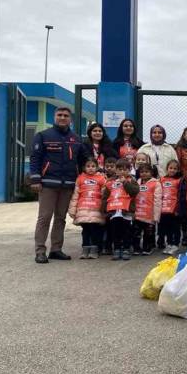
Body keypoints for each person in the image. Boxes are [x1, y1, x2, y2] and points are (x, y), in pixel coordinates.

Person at [30, 106, 88, 264]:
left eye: (66, 115)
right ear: (55, 117)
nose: (62, 118)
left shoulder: (76, 139)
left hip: (68, 184)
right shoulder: (43, 136)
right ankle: (40, 251)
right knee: (44, 218)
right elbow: (35, 159)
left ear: (71, 119)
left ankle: (56, 249)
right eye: (60, 115)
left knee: (60, 218)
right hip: (48, 184)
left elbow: (83, 161)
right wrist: (35, 179)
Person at [67, 157, 107, 259]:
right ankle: (85, 249)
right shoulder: (80, 178)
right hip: (83, 208)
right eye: (88, 166)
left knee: (95, 230)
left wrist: (105, 209)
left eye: (93, 166)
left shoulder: (101, 179)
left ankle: (94, 250)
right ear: (84, 168)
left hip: (96, 209)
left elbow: (104, 195)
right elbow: (75, 195)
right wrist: (72, 209)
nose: (90, 168)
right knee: (85, 230)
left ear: (97, 167)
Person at [102, 158, 140, 261]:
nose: (122, 172)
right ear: (116, 170)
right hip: (114, 211)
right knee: (115, 232)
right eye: (119, 169)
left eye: (124, 169)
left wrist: (125, 183)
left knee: (126, 231)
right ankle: (117, 249)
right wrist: (104, 210)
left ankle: (126, 249)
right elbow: (105, 196)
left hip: (126, 211)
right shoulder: (110, 181)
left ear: (129, 170)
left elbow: (134, 192)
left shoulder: (132, 180)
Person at [133, 163, 161, 255]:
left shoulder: (156, 183)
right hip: (138, 213)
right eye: (142, 172)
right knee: (136, 232)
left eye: (146, 171)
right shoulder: (137, 182)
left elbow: (157, 200)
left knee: (148, 233)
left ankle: (147, 247)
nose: (144, 173)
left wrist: (156, 216)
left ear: (151, 172)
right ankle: (136, 248)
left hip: (149, 214)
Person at [158, 159, 182, 254]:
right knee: (166, 227)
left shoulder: (179, 180)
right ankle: (169, 244)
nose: (172, 170)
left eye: (175, 168)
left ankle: (175, 244)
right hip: (164, 209)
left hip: (174, 208)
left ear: (178, 170)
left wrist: (178, 208)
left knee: (175, 227)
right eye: (170, 168)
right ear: (167, 168)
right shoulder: (162, 179)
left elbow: (180, 195)